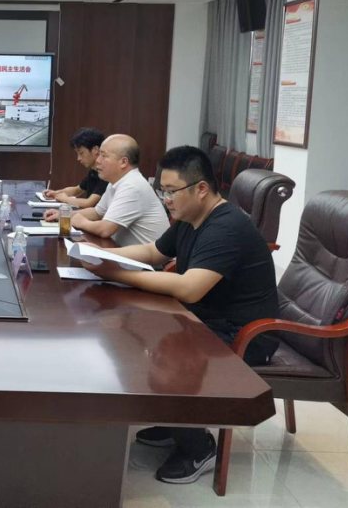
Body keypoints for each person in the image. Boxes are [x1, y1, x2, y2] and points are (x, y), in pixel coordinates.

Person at [78, 145, 280, 484]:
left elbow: (190, 289)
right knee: (132, 329)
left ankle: (198, 446)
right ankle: (175, 419)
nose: (166, 200)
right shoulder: (189, 217)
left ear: (201, 189)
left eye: (171, 192)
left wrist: (116, 273)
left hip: (245, 335)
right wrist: (101, 254)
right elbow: (153, 252)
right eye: (163, 191)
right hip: (208, 320)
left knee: (165, 353)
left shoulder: (226, 226)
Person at [49, 134, 169, 246]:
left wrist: (81, 222)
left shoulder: (132, 186)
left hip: (144, 261)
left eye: (104, 156)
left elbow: (105, 229)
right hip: (123, 252)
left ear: (123, 162)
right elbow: (97, 213)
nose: (98, 160)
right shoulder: (115, 182)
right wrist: (65, 215)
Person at [42, 127, 108, 217]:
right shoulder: (93, 171)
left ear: (95, 150)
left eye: (81, 153)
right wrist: (56, 193)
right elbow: (77, 189)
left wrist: (66, 199)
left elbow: (89, 203)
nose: (78, 158)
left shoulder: (106, 174)